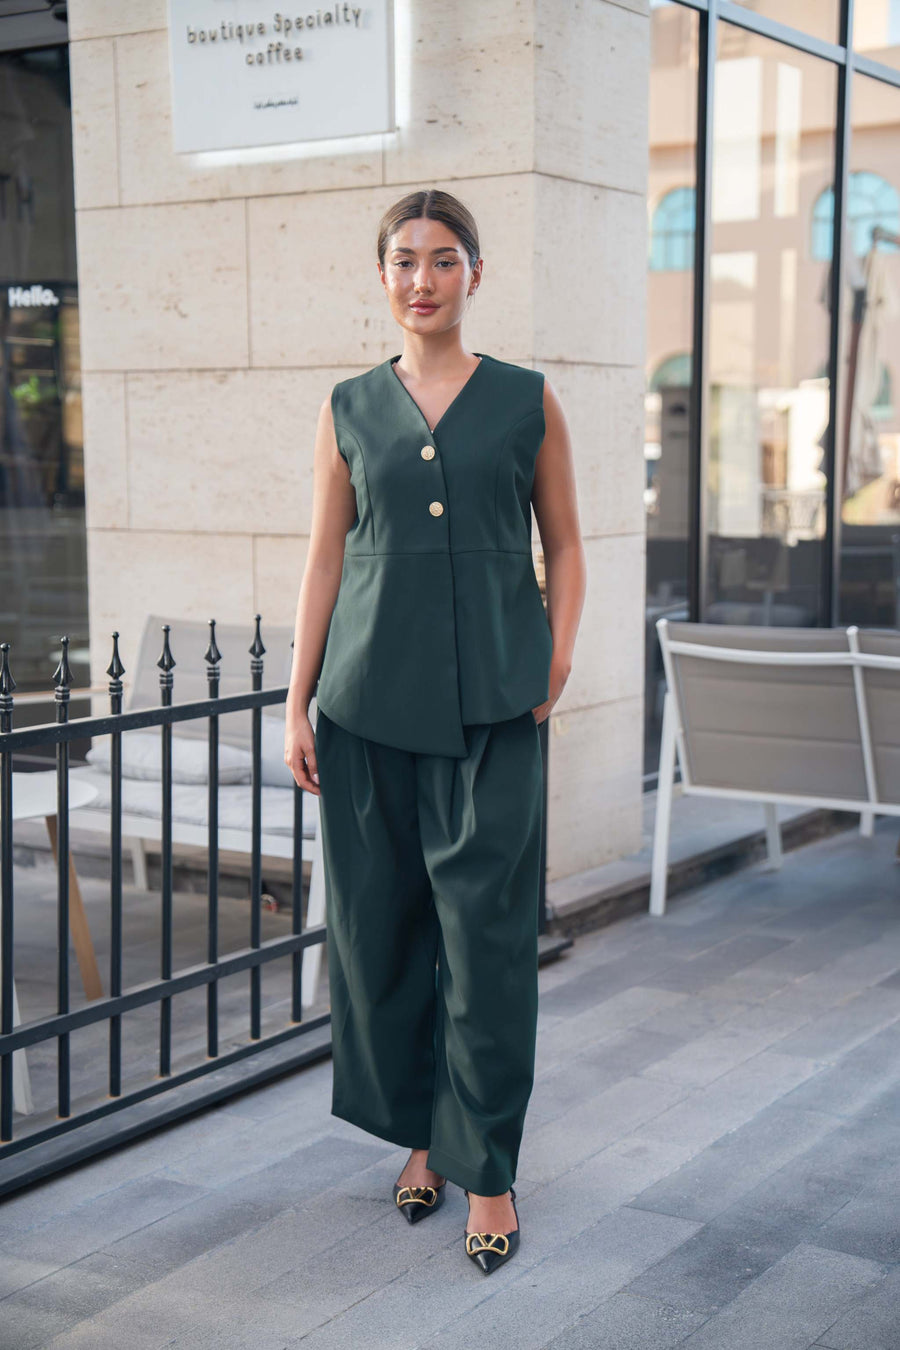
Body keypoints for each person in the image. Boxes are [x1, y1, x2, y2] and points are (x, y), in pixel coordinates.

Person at [284, 188, 586, 1275]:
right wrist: (297, 699)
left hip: (495, 708)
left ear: (475, 273)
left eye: (444, 258)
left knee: (487, 940)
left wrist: (554, 658)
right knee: (385, 933)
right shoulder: (348, 408)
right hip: (366, 707)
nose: (423, 278)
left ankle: (487, 1168)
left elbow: (566, 542)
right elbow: (326, 558)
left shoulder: (527, 399)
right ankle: (421, 1138)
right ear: (382, 276)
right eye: (405, 260)